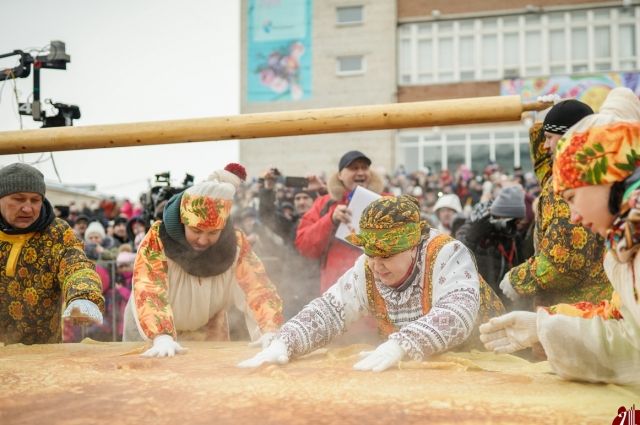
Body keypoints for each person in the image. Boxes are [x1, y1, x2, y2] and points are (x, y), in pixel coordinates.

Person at [480, 87, 640, 384]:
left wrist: (522, 286)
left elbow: (632, 347)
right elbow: (628, 329)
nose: (574, 216)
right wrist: (542, 326)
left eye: (571, 196)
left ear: (600, 180)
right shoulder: (625, 237)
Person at [239, 195, 505, 372]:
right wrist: (286, 342)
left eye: (386, 255)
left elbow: (457, 313)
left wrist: (400, 344)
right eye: (371, 254)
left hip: (487, 360)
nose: (377, 265)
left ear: (413, 247)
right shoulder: (368, 267)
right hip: (424, 368)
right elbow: (331, 310)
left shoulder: (447, 253)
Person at [123, 163, 284, 357]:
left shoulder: (236, 244)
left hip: (205, 327)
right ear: (183, 222)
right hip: (149, 328)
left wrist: (270, 328)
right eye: (196, 231)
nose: (203, 240)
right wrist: (161, 335)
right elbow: (149, 287)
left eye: (212, 233)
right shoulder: (158, 239)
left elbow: (257, 287)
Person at [499, 96, 613, 309]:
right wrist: (542, 118)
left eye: (549, 137)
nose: (544, 145)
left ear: (570, 139)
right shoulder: (588, 167)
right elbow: (545, 165)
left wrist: (519, 280)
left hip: (575, 312)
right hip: (588, 306)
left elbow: (565, 260)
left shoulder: (569, 184)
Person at [0, 163, 104, 344]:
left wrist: (83, 297)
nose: (27, 208)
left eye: (35, 200)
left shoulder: (56, 232)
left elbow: (75, 264)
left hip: (44, 352)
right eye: (18, 199)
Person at [296, 150, 385, 293]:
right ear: (340, 175)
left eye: (364, 168)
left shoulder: (386, 201)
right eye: (354, 168)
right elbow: (304, 246)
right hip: (336, 291)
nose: (360, 172)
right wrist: (331, 219)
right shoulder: (324, 204)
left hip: (377, 290)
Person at [456, 185, 534, 305]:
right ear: (499, 216)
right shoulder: (474, 228)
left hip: (503, 302)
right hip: (478, 300)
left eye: (519, 221)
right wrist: (471, 239)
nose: (517, 226)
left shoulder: (513, 236)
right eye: (513, 222)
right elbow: (457, 257)